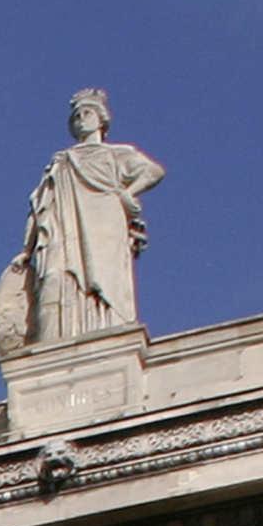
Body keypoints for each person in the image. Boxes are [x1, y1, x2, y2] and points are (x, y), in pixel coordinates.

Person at [20, 89, 163, 345]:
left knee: (106, 286)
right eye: (76, 116)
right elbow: (40, 206)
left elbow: (153, 170)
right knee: (55, 278)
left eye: (87, 113)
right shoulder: (62, 161)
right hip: (64, 231)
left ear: (101, 119)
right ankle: (55, 345)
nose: (81, 119)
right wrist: (27, 250)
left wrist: (127, 193)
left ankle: (108, 335)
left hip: (105, 225)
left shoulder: (116, 154)